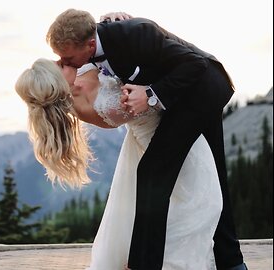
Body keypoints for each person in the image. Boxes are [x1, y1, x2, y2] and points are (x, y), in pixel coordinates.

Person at [45, 9, 246, 270]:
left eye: (68, 58)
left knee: (153, 172)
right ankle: (232, 263)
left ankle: (143, 264)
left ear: (90, 44)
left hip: (201, 91)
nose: (66, 62)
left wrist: (151, 94)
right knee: (211, 177)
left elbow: (196, 63)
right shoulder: (88, 44)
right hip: (181, 98)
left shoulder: (137, 33)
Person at [15, 58, 222, 269]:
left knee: (192, 203)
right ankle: (154, 262)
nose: (61, 59)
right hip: (160, 141)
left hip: (179, 129)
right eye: (58, 66)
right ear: (57, 83)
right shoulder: (86, 107)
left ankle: (148, 259)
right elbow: (143, 107)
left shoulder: (80, 65)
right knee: (205, 202)